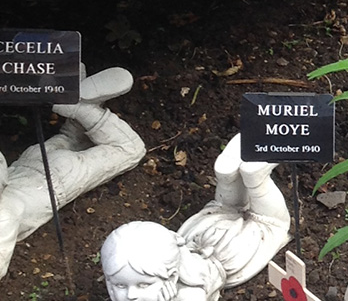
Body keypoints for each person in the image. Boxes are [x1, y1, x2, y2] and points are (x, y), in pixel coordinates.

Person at [101, 133, 290, 301]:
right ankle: (228, 176)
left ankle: (256, 179)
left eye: (143, 285)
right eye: (120, 285)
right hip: (196, 235)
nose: (130, 295)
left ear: (173, 276)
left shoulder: (188, 295)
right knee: (223, 208)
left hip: (234, 251)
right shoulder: (176, 260)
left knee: (269, 223)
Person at [0, 66, 145, 278]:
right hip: (29, 164)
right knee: (73, 138)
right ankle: (73, 95)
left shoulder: (4, 216)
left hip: (56, 178)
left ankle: (78, 107)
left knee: (130, 149)